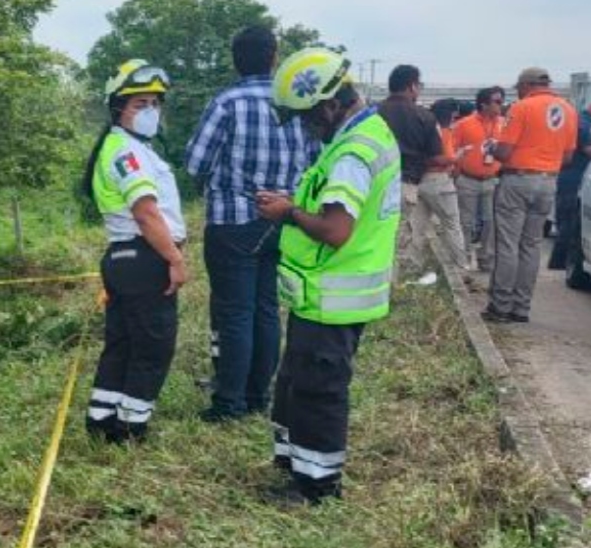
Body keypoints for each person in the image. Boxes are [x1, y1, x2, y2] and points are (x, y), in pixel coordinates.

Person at [255, 48, 401, 504]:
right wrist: (294, 205)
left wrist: (288, 212)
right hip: (321, 294)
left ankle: (317, 487)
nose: (305, 127)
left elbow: (336, 230)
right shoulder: (360, 137)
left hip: (335, 296)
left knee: (319, 390)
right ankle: (298, 467)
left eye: (307, 117)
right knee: (299, 382)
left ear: (329, 105)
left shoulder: (352, 155)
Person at [185, 26, 320, 423]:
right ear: (274, 57)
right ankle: (259, 395)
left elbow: (195, 162)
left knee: (235, 313)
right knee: (265, 309)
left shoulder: (227, 102)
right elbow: (315, 160)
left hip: (233, 221)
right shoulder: (294, 103)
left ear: (235, 58)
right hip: (283, 219)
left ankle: (230, 403)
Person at [82, 59, 188, 443]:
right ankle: (129, 428)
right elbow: (146, 212)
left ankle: (102, 418)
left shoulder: (122, 147)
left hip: (124, 259)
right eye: (140, 104)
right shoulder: (126, 153)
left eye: (155, 104)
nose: (150, 112)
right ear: (118, 109)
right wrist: (175, 260)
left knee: (123, 344)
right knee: (153, 347)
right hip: (145, 257)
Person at [483, 67, 578, 324]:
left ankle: (500, 306)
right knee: (531, 245)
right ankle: (521, 308)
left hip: (518, 179)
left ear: (527, 85)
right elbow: (568, 156)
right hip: (548, 181)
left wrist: (493, 147)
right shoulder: (568, 110)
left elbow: (503, 152)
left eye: (518, 88)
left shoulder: (522, 107)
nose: (518, 92)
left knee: (507, 244)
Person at [377, 64, 444, 275]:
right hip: (406, 183)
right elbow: (436, 157)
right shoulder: (424, 117)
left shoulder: (373, 112)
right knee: (397, 238)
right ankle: (390, 287)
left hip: (373, 181)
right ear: (412, 86)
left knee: (372, 234)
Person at [547, 95, 591, 270]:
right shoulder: (588, 125)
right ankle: (560, 262)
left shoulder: (578, 120)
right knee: (569, 221)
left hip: (569, 176)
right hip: (574, 178)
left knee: (567, 219)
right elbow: (590, 150)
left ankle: (559, 261)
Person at [451, 86, 507, 271]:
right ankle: (464, 259)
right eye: (497, 101)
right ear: (484, 104)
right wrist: (457, 173)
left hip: (492, 180)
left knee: (490, 222)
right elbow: (453, 150)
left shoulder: (503, 124)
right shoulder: (464, 124)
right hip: (468, 180)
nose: (501, 105)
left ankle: (486, 259)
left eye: (502, 101)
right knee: (465, 222)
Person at [419, 99, 467, 268]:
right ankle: (460, 265)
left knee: (417, 225)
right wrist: (457, 157)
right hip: (439, 180)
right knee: (452, 224)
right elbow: (440, 158)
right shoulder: (443, 131)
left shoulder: (423, 128)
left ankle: (412, 263)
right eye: (454, 116)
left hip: (420, 180)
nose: (455, 120)